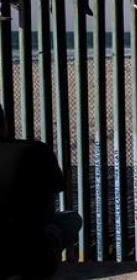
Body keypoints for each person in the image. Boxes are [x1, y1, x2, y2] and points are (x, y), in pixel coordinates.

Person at [0, 104, 83, 279]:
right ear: (4, 125)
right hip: (31, 262)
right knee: (71, 219)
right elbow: (58, 188)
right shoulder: (36, 149)